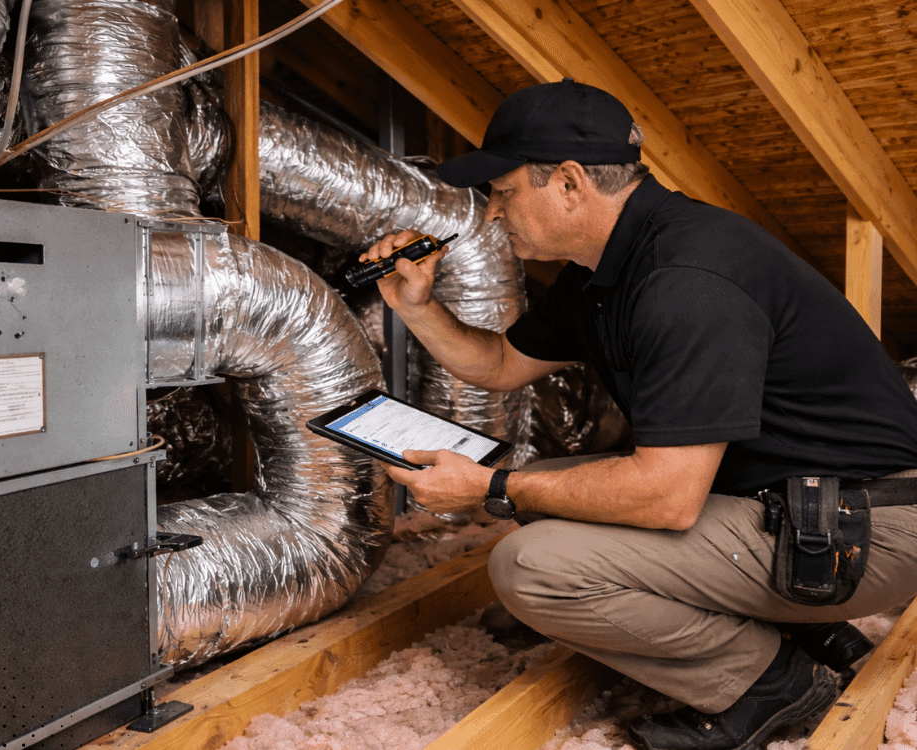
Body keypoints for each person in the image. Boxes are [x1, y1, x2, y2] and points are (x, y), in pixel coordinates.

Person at [358, 78, 917, 750]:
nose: (493, 215)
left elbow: (668, 498)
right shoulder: (608, 267)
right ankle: (798, 626)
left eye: (503, 194)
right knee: (556, 496)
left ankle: (768, 680)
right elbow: (499, 364)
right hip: (799, 500)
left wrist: (491, 489)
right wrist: (418, 306)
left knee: (529, 566)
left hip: (863, 531)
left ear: (569, 183)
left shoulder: (685, 280)